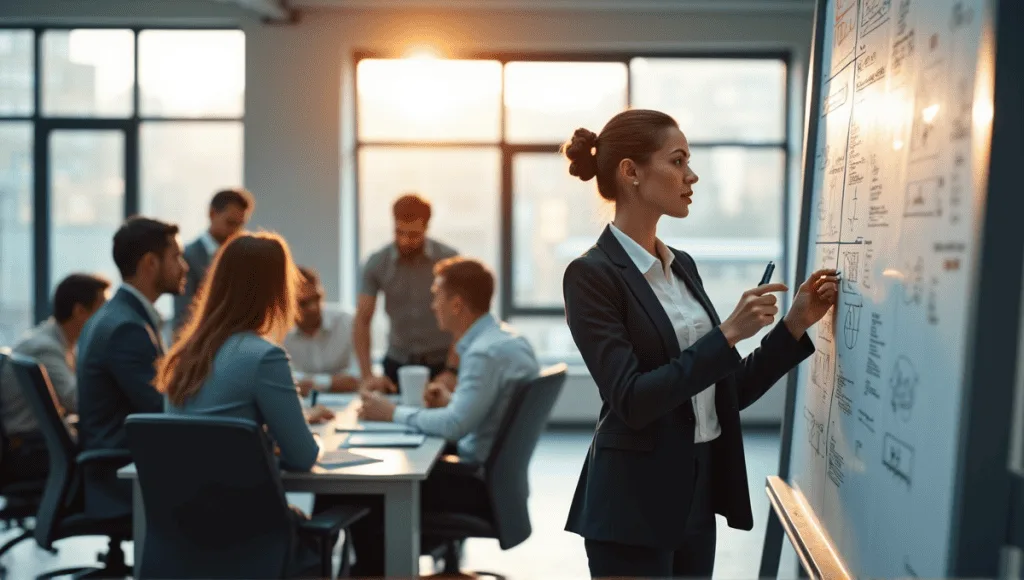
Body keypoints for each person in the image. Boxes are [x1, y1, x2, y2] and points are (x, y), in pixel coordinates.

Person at [559, 110, 839, 578]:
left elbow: (725, 391)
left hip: (697, 487)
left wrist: (792, 324)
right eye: (678, 161)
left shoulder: (682, 265)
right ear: (631, 172)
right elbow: (631, 398)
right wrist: (727, 333)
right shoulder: (591, 275)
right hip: (632, 503)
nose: (692, 175)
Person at [158, 232, 333, 577]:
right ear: (275, 290)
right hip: (251, 532)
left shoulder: (181, 356)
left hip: (185, 533)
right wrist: (321, 437)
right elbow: (304, 456)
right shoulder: (263, 356)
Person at [353, 257, 539, 576]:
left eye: (436, 295)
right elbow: (479, 413)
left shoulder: (484, 353)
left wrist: (391, 412)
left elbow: (455, 427)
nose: (432, 305)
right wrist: (451, 401)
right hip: (491, 481)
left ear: (456, 305)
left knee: (365, 492)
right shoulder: (506, 339)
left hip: (471, 484)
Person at [77, 216, 189, 518]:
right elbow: (163, 408)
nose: (185, 267)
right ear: (150, 263)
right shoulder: (127, 327)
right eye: (176, 257)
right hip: (120, 471)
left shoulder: (117, 315)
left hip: (119, 460)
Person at [0, 273, 110, 484]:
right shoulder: (45, 348)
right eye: (102, 309)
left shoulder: (55, 340)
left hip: (34, 443)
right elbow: (76, 400)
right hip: (30, 449)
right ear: (79, 311)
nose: (107, 317)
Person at [353, 194, 459, 393]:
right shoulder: (377, 263)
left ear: (426, 228)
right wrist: (367, 376)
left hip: (442, 365)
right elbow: (362, 320)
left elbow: (463, 319)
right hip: (397, 364)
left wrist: (452, 370)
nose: (404, 240)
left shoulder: (449, 260)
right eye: (399, 232)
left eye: (413, 235)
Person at [173, 188, 254, 332]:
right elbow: (183, 316)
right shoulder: (188, 257)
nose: (235, 231)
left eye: (240, 225)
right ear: (212, 214)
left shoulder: (242, 258)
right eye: (230, 223)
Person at [283, 266, 361, 395]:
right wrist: (333, 382)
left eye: (317, 298)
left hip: (348, 407)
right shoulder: (279, 334)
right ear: (287, 303)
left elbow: (359, 377)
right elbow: (279, 380)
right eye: (303, 303)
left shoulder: (347, 322)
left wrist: (313, 383)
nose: (314, 308)